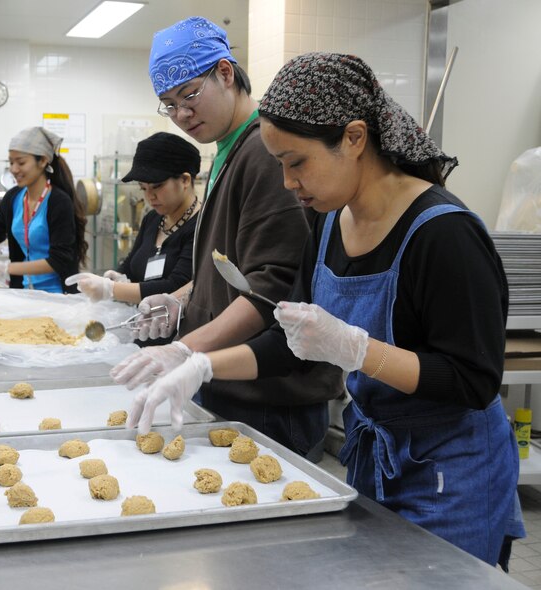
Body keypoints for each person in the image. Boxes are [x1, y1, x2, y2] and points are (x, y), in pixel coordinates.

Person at [126, 52, 524, 568]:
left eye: (297, 163)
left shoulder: (444, 235)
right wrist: (198, 364)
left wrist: (356, 349)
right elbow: (292, 343)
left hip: (452, 471)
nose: (289, 184)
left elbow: (473, 380)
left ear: (355, 139)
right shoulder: (331, 223)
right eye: (280, 166)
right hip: (375, 456)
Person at [111, 17, 342, 461]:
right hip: (230, 384)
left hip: (272, 397)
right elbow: (229, 268)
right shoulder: (226, 153)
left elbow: (270, 287)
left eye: (189, 96)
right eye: (169, 104)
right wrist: (182, 298)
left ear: (225, 72)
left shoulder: (264, 152)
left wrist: (185, 351)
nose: (181, 114)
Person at [65, 132, 200, 344]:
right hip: (141, 334)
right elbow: (131, 265)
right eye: (143, 188)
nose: (149, 196)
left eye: (157, 187)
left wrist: (111, 289)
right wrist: (117, 277)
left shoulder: (203, 225)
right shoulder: (153, 220)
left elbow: (175, 285)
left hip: (178, 341)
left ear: (185, 180)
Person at [0, 126, 88, 293]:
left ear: (43, 161)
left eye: (21, 162)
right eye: (11, 162)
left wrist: (4, 268)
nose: (14, 169)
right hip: (22, 291)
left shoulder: (59, 202)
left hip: (57, 294)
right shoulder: (13, 198)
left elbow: (59, 260)